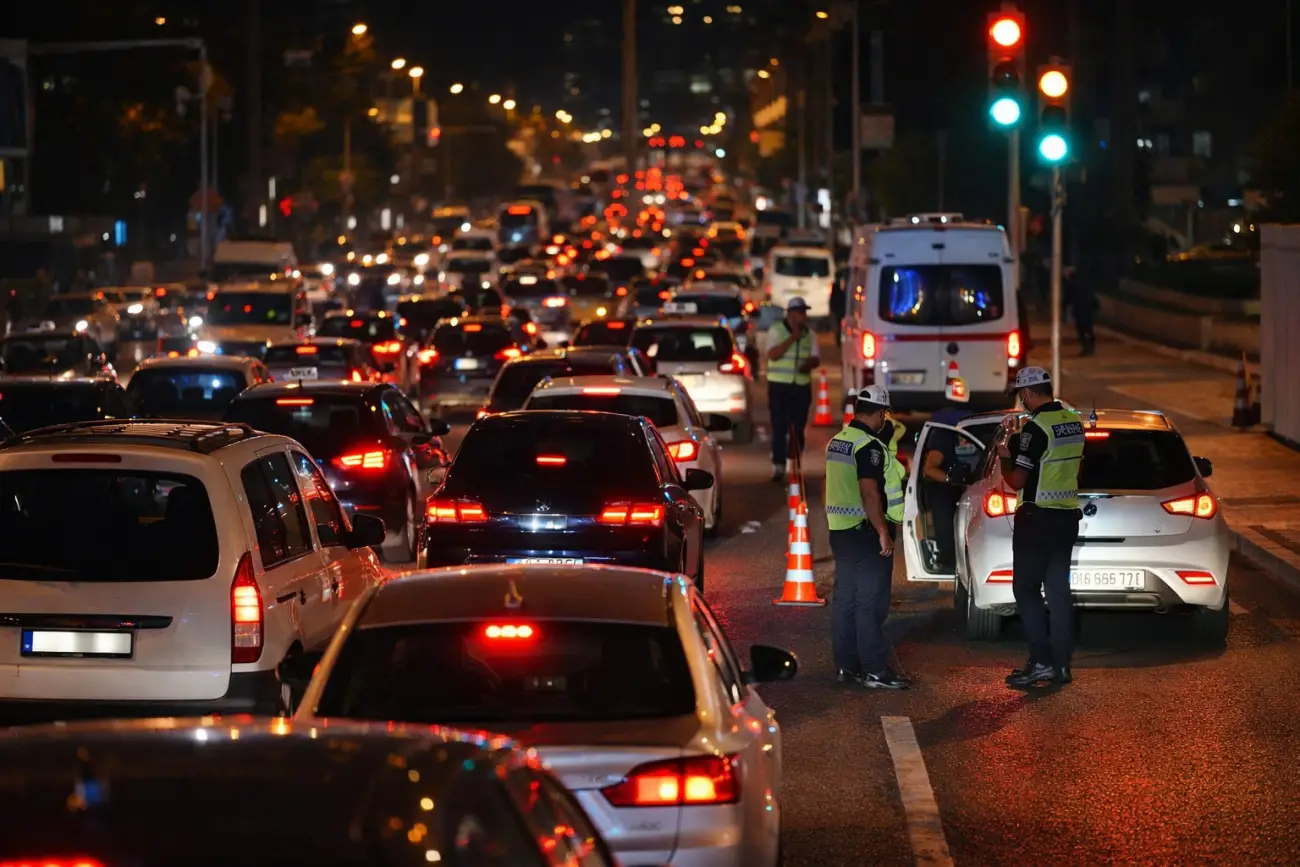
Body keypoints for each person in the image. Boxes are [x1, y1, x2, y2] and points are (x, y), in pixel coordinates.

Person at [997, 367, 1084, 688]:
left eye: (1022, 396)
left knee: (1026, 590)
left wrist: (1006, 456)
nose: (1022, 401)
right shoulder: (1073, 422)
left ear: (1029, 394)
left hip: (1036, 521)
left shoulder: (1035, 430)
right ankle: (1061, 666)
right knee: (1059, 594)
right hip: (1066, 519)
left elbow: (1017, 480)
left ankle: (1042, 662)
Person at [825, 384, 912, 690]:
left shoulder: (838, 441)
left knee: (845, 601)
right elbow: (869, 492)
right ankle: (875, 669)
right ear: (878, 413)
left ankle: (846, 667)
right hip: (865, 533)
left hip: (840, 531)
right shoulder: (868, 446)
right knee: (870, 604)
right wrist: (882, 532)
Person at [765, 296, 820, 482]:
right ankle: (779, 466)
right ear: (789, 313)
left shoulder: (810, 335)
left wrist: (808, 365)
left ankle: (795, 464)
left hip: (801, 387)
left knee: (798, 428)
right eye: (798, 312)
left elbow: (816, 358)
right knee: (779, 427)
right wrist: (793, 337)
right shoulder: (776, 331)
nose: (802, 316)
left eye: (804, 312)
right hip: (779, 387)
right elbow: (773, 355)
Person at [919, 405, 971, 571]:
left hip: (974, 484)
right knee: (942, 501)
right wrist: (951, 479)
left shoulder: (980, 433)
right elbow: (929, 469)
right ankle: (948, 556)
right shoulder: (944, 436)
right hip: (947, 487)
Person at [1065, 267, 1097, 356]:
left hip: (1080, 309)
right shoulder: (1085, 281)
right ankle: (1091, 346)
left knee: (1081, 330)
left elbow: (1069, 296)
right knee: (1089, 328)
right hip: (1088, 309)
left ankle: (1086, 347)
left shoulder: (1072, 283)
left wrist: (1064, 305)